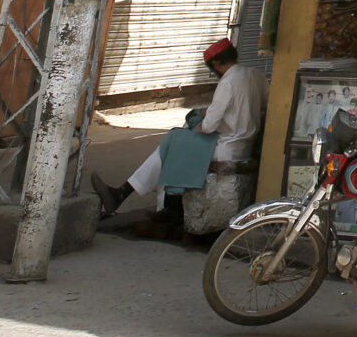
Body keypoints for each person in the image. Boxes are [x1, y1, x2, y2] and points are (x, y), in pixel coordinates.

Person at [92, 39, 263, 220]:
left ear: (215, 64)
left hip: (225, 147)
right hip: (245, 144)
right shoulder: (256, 76)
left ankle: (140, 199)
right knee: (171, 144)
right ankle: (124, 193)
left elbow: (208, 127)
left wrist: (205, 113)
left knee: (172, 142)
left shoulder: (227, 82)